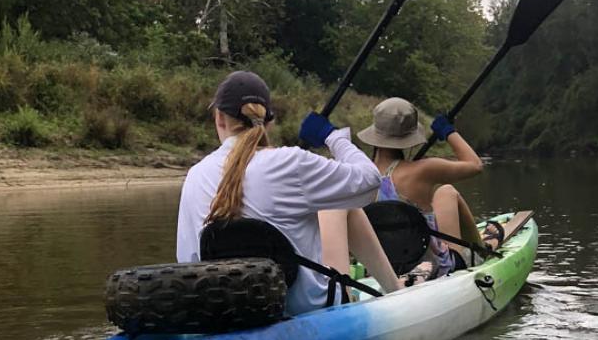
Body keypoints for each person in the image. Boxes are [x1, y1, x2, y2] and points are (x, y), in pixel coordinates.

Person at [176, 71, 402, 315]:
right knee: (341, 204)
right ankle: (395, 291)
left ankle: (394, 290)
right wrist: (334, 138)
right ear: (269, 122)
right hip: (304, 311)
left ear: (219, 118)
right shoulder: (291, 161)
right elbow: (370, 181)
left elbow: (188, 259)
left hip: (227, 313)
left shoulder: (195, 175)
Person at [357, 97, 491, 278]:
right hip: (434, 268)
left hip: (382, 268)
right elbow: (475, 165)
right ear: (411, 136)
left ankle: (478, 249)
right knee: (446, 191)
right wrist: (449, 132)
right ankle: (481, 250)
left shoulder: (357, 174)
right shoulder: (424, 170)